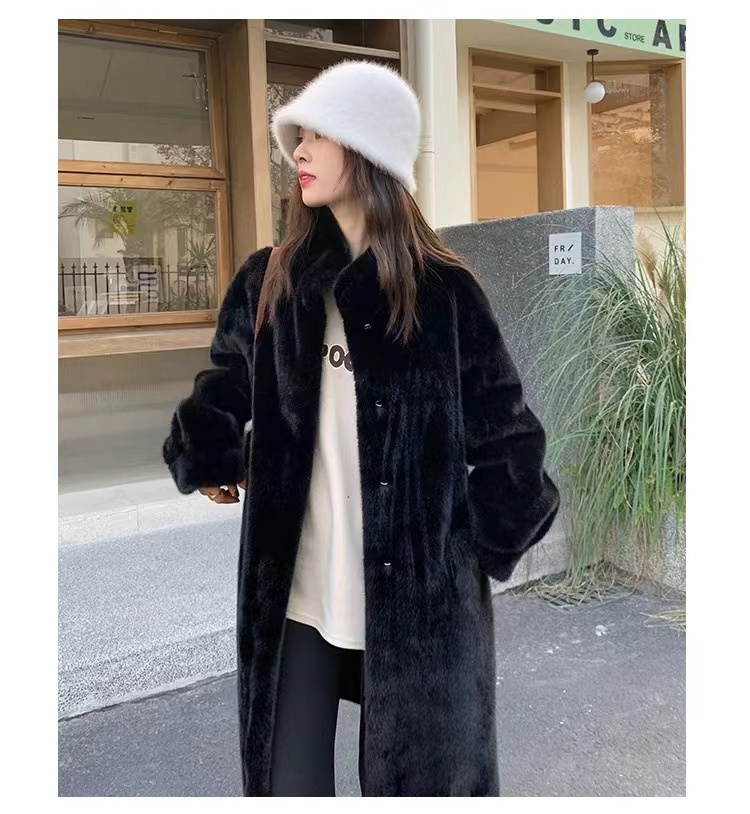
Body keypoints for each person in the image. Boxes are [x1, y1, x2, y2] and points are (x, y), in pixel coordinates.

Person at [163, 59, 560, 797]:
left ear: (372, 150)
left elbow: (513, 447)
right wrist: (211, 448)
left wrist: (456, 554)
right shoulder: (270, 280)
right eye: (298, 137)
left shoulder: (443, 295)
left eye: (320, 135)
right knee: (286, 788)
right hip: (295, 597)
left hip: (418, 615)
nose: (300, 150)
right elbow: (225, 382)